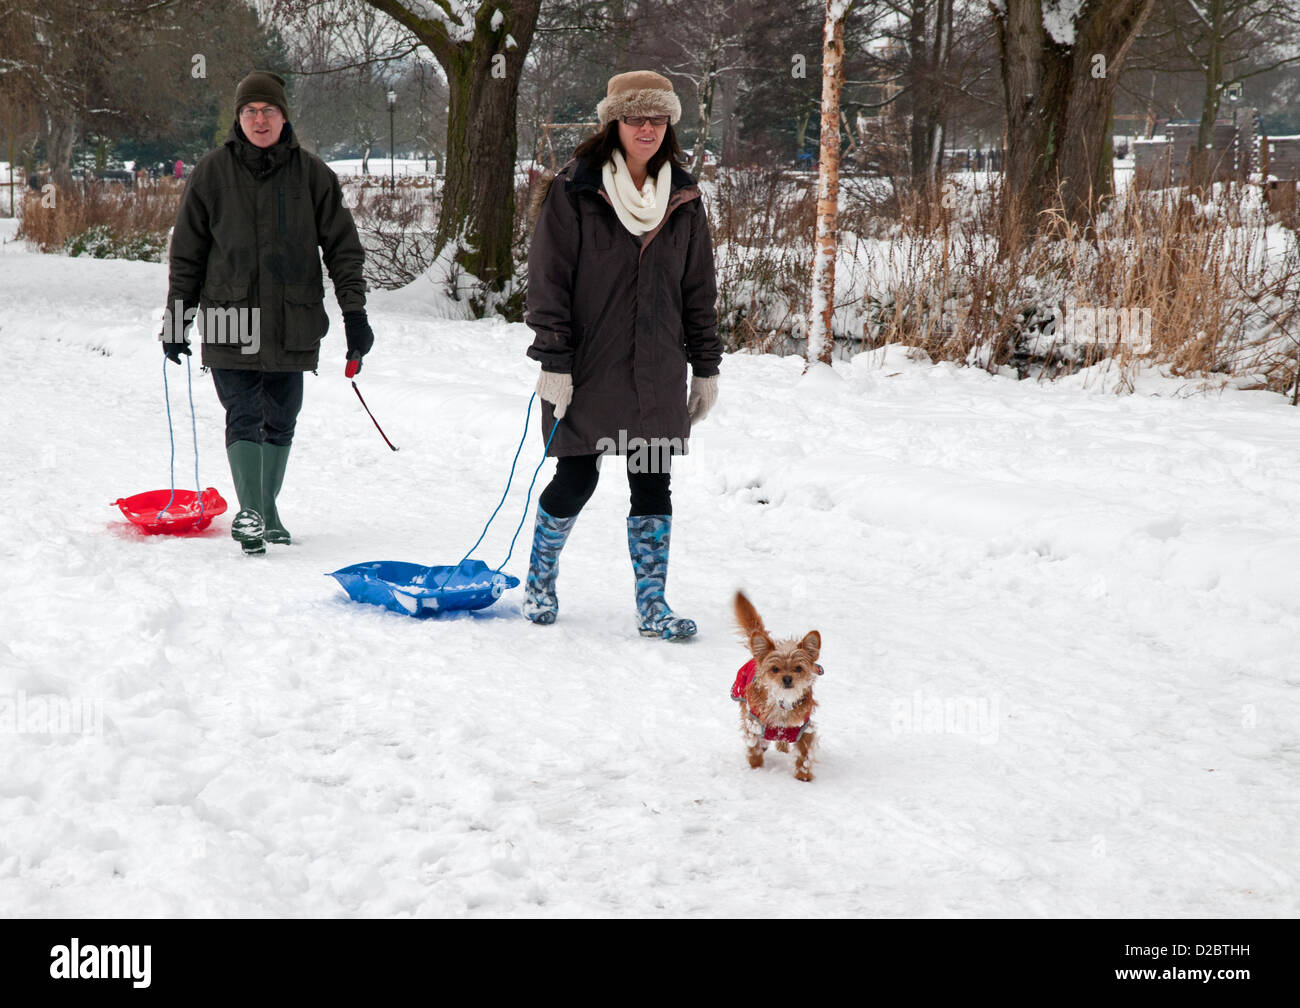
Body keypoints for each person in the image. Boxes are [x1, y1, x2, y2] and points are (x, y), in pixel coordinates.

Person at [523, 70, 721, 640]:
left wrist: (705, 368)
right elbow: (549, 282)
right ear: (614, 123)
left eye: (658, 118)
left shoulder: (683, 196)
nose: (647, 129)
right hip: (589, 368)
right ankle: (540, 578)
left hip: (656, 369)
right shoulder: (576, 188)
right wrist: (554, 362)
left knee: (652, 484)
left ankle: (653, 607)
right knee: (576, 477)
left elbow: (698, 292)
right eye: (635, 117)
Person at [162, 70, 373, 555]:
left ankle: (266, 509)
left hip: (291, 317)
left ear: (283, 116)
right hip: (228, 313)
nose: (260, 120)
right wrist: (177, 322)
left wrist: (355, 315)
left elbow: (344, 250)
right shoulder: (212, 173)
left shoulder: (313, 175)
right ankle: (251, 512)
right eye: (250, 112)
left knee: (281, 418)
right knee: (245, 411)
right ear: (239, 118)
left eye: (268, 111)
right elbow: (187, 256)